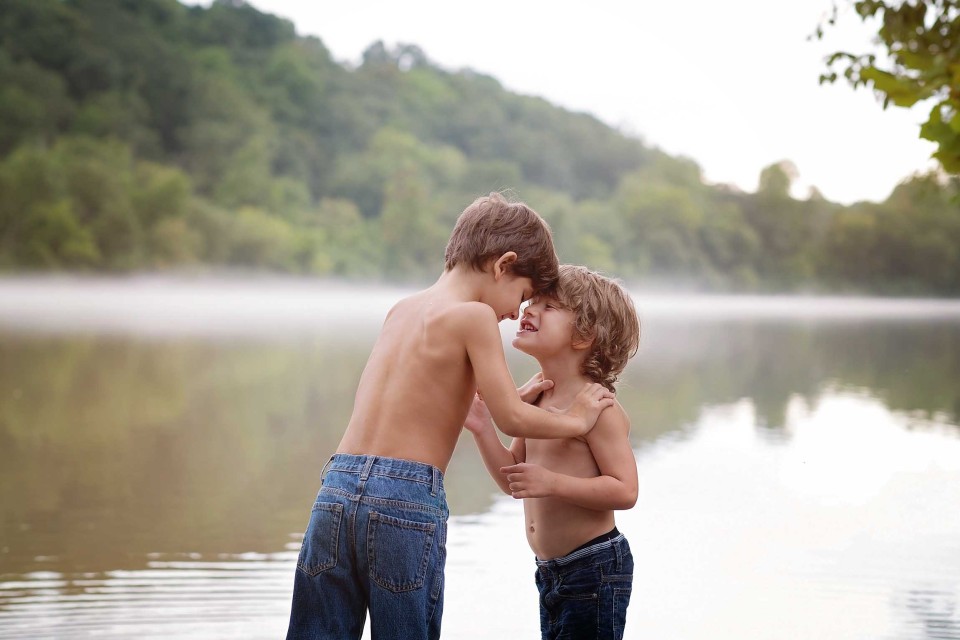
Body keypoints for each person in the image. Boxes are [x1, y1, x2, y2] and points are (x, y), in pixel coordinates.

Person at [285, 193, 616, 640]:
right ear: (503, 265)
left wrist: (512, 397)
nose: (510, 315)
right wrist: (575, 420)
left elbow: (427, 399)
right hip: (403, 497)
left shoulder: (401, 310)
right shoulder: (474, 317)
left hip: (336, 489)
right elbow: (512, 419)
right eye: (519, 297)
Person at [464, 263, 641, 640]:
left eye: (549, 306)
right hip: (549, 570)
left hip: (593, 566)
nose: (529, 310)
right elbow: (514, 479)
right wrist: (482, 428)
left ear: (584, 334)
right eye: (532, 302)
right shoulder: (538, 397)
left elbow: (625, 491)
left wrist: (553, 482)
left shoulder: (597, 407)